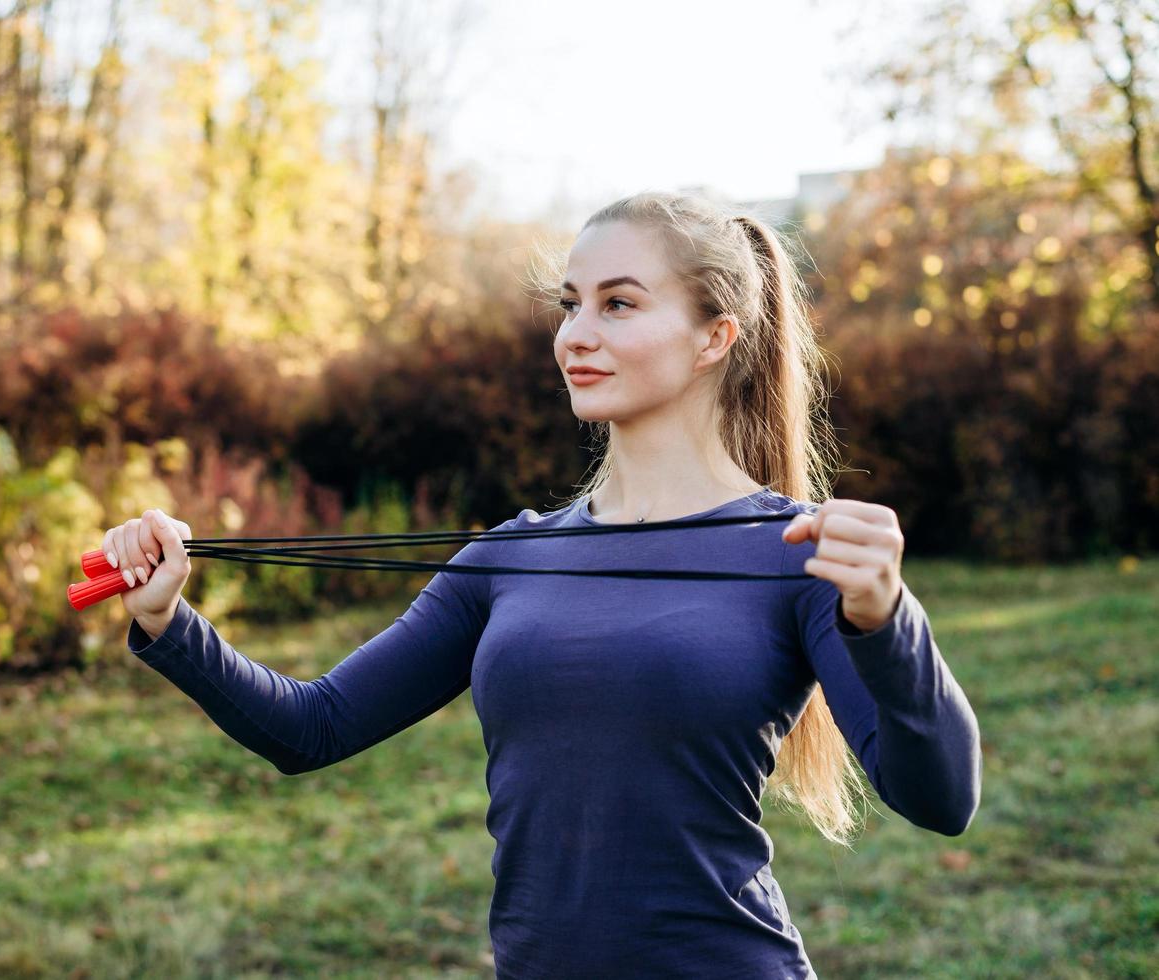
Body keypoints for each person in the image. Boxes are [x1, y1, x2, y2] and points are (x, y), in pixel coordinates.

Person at [101, 190, 983, 979]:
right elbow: (312, 727)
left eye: (619, 304)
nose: (576, 335)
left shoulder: (797, 551)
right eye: (570, 306)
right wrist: (171, 624)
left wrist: (889, 621)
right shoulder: (507, 560)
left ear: (715, 336)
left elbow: (940, 799)